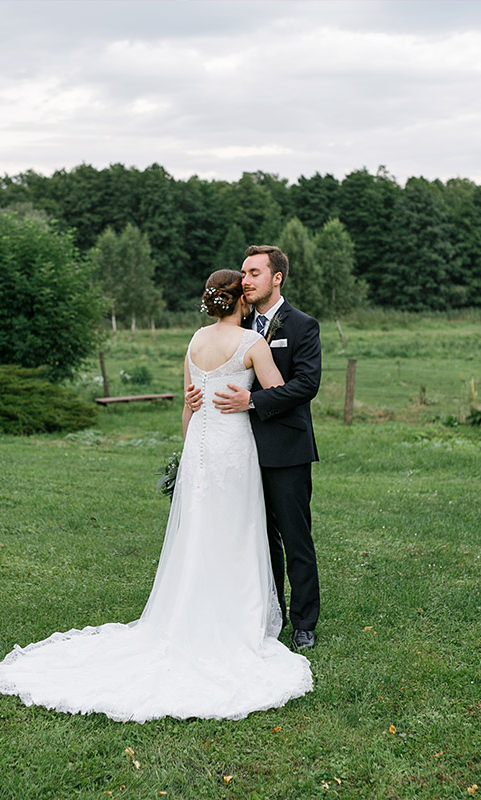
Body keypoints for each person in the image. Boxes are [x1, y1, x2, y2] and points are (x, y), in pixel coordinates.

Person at [0, 270, 312, 722]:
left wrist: (191, 446)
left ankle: (187, 612)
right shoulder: (252, 344)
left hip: (198, 448)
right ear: (240, 303)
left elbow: (187, 405)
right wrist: (249, 397)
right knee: (237, 530)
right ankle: (236, 619)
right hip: (233, 447)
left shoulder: (194, 342)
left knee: (199, 530)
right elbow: (276, 390)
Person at [189, 245, 322, 651]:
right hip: (238, 450)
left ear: (276, 277)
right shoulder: (237, 326)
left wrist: (253, 402)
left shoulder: (301, 325)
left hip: (286, 448)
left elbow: (306, 384)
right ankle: (268, 612)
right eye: (243, 273)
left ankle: (304, 622)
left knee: (295, 536)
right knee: (256, 538)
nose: (246, 280)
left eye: (254, 273)